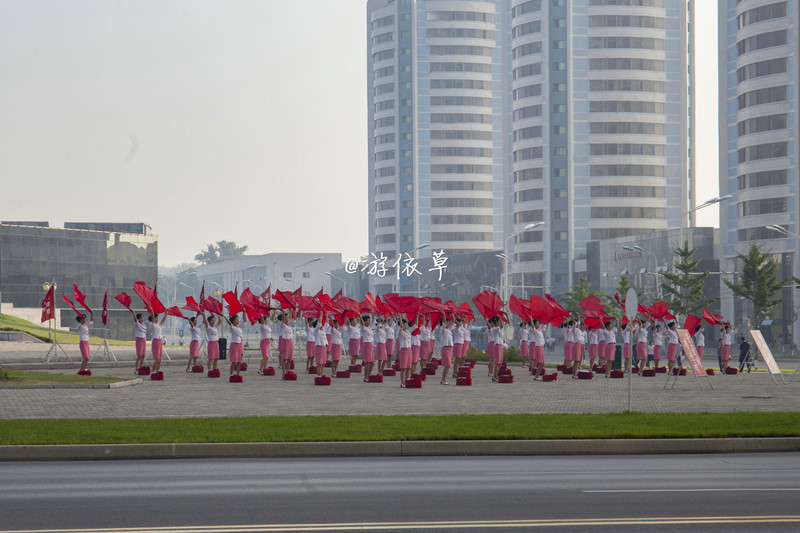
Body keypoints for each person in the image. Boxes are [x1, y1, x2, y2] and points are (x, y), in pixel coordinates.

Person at [278, 311, 295, 377]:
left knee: (289, 359)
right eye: (286, 317)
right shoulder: (282, 325)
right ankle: (283, 373)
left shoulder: (289, 325)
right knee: (284, 358)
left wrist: (293, 309)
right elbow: (283, 320)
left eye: (287, 317)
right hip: (284, 341)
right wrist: (282, 312)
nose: (287, 319)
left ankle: (288, 372)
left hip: (290, 341)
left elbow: (294, 318)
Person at [397, 319, 412, 386]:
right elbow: (401, 328)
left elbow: (415, 326)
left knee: (408, 367)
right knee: (403, 368)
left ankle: (406, 381)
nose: (405, 325)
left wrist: (417, 316)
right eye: (404, 324)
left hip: (409, 350)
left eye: (406, 324)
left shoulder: (408, 332)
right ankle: (402, 382)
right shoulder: (400, 332)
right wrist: (400, 318)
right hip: (403, 350)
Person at [361, 314, 375, 380]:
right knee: (367, 363)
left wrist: (373, 314)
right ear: (364, 322)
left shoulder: (370, 328)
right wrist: (359, 316)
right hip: (366, 345)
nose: (369, 322)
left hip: (371, 345)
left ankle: (368, 376)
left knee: (372, 363)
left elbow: (374, 321)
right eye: (368, 320)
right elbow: (362, 323)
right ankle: (366, 377)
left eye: (369, 320)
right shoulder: (363, 328)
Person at [439, 317, 453, 385]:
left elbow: (453, 324)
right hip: (445, 348)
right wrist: (444, 315)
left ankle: (444, 379)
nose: (448, 323)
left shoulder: (449, 330)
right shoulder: (442, 329)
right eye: (447, 322)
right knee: (447, 365)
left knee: (448, 365)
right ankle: (443, 379)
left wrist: (453, 316)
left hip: (449, 348)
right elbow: (444, 324)